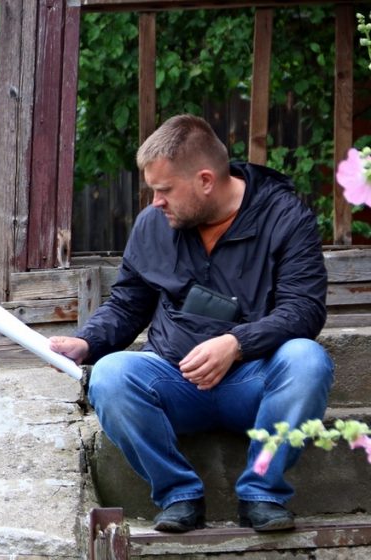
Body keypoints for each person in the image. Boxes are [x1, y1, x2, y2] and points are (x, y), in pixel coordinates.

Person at [49, 114, 334, 533]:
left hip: (253, 386)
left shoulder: (285, 218)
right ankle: (178, 494)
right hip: (174, 382)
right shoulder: (154, 224)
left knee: (307, 360)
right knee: (109, 374)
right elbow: (129, 303)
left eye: (164, 190)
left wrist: (236, 343)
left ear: (205, 180)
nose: (155, 202)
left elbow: (304, 310)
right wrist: (87, 343)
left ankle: (262, 492)